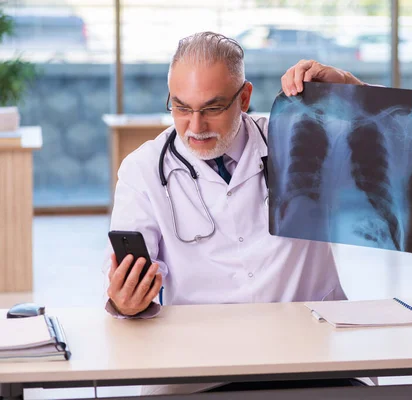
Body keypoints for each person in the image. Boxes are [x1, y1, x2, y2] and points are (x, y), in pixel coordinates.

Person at [103, 31, 378, 395]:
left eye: (212, 108)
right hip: (201, 366)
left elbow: (405, 161)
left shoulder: (300, 140)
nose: (195, 127)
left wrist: (347, 89)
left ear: (244, 97)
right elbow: (129, 277)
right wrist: (126, 300)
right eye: (181, 108)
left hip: (310, 355)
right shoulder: (143, 169)